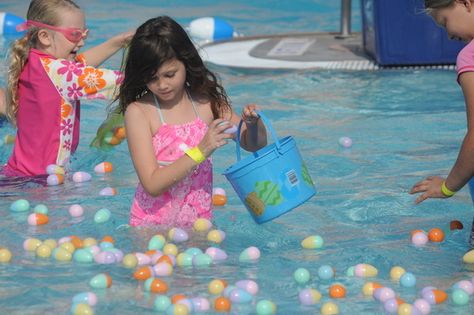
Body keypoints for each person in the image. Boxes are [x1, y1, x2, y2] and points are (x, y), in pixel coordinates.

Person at [117, 16, 267, 227]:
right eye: (152, 78)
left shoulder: (206, 102)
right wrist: (201, 150)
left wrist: (253, 125)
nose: (162, 85)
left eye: (170, 74)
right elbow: (151, 184)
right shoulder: (140, 112)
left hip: (199, 225)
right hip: (151, 227)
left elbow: (252, 144)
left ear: (185, 61)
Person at [1, 0, 133, 176]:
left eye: (84, 35)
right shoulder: (60, 74)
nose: (81, 42)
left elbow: (79, 65)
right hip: (41, 181)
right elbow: (119, 82)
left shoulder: (35, 61)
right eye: (74, 35)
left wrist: (118, 42)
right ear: (45, 36)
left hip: (19, 173)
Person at [410, 0, 474, 247]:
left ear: (465, 3)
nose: (448, 35)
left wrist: (448, 187)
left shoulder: (470, 56)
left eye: (445, 22)